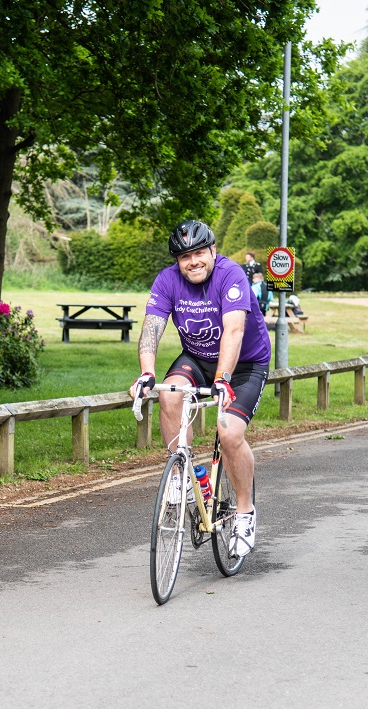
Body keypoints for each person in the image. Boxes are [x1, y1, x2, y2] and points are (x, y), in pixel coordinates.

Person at [130, 220, 271, 558]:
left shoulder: (231, 274)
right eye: (184, 257)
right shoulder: (167, 281)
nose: (192, 261)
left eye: (198, 253)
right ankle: (187, 476)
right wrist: (146, 372)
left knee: (229, 433)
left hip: (244, 364)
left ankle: (245, 512)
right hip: (196, 357)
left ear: (212, 251)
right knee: (169, 393)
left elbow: (234, 331)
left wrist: (223, 377)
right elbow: (151, 328)